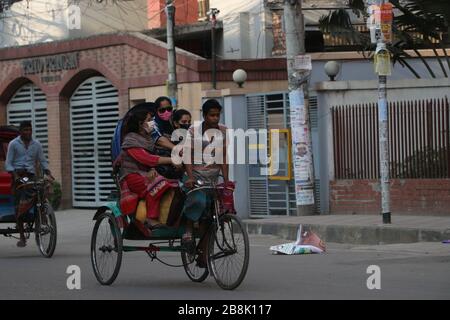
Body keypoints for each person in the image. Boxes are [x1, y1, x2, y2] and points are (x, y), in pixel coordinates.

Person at [182, 99, 234, 267]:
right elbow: (187, 156)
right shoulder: (193, 131)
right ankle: (188, 231)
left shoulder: (224, 131)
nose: (215, 118)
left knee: (211, 217)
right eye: (212, 115)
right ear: (204, 116)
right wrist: (189, 177)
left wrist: (226, 181)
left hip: (213, 177)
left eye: (217, 115)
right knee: (197, 201)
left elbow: (224, 157)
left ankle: (204, 254)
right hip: (194, 176)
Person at [119, 109, 178, 229]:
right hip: (132, 176)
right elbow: (147, 159)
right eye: (149, 120)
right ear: (140, 124)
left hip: (145, 173)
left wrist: (152, 169)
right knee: (160, 183)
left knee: (175, 184)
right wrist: (172, 160)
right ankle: (150, 218)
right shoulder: (131, 139)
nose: (152, 123)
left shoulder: (147, 138)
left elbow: (149, 163)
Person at [5, 120, 53, 247]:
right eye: (25, 130)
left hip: (31, 176)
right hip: (18, 176)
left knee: (42, 189)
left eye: (30, 130)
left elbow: (42, 160)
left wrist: (48, 171)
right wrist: (15, 175)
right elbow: (8, 163)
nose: (28, 132)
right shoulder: (13, 144)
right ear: (20, 131)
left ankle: (42, 215)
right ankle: (22, 237)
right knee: (19, 206)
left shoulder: (36, 144)